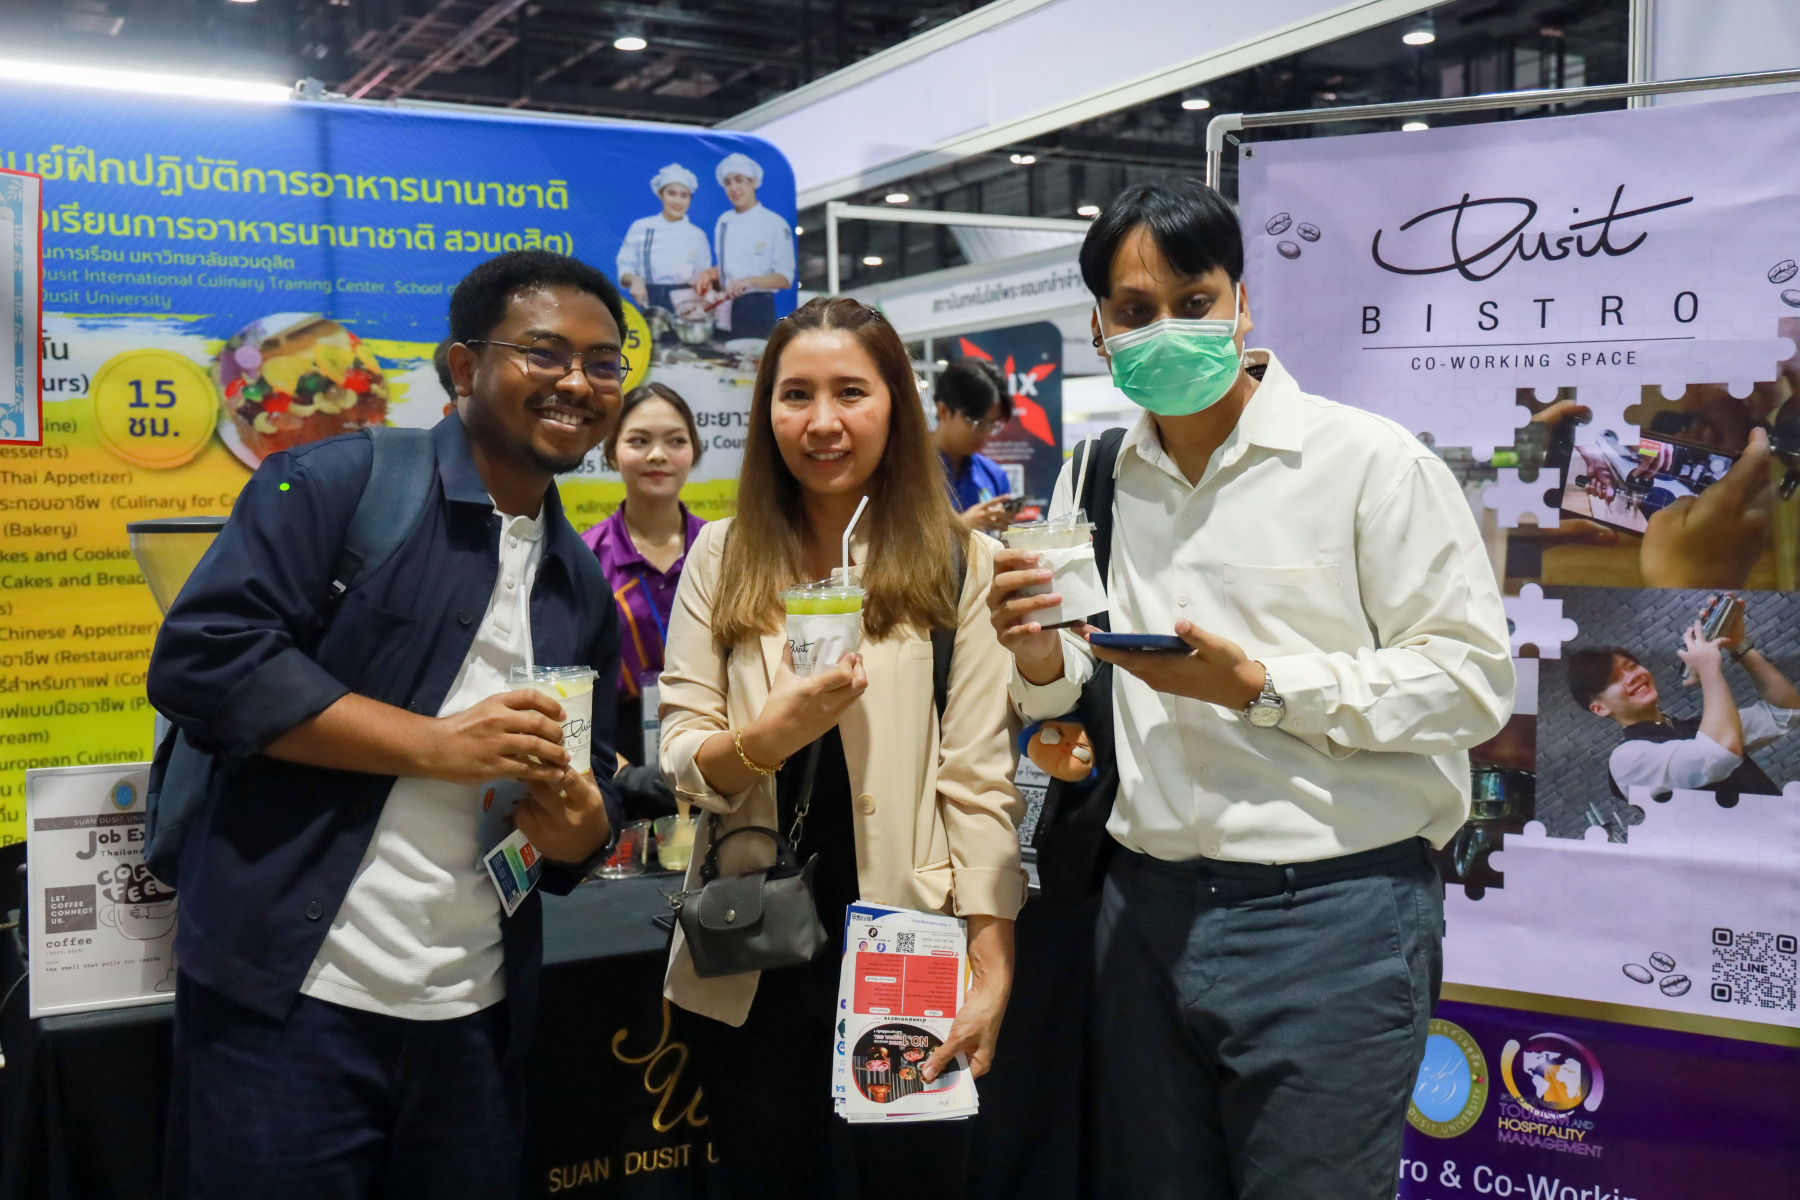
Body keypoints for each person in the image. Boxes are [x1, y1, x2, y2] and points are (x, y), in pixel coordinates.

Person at [986, 180, 1514, 1200]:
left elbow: (1470, 682)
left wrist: (1260, 685)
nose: (1167, 328)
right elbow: (1070, 692)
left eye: (1194, 301)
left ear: (1240, 303)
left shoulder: (1368, 463)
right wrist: (1041, 660)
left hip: (1335, 916)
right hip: (1143, 911)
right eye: (1135, 310)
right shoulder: (1094, 475)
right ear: (1098, 328)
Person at [148, 250, 627, 1199]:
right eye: (544, 353)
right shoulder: (339, 483)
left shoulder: (578, 586)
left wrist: (583, 828)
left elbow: (597, 782)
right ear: (464, 368)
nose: (577, 381)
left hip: (477, 1017)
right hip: (290, 1008)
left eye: (603, 363)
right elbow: (205, 660)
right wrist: (435, 746)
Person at [657, 297, 1024, 1198]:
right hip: (759, 940)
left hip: (911, 943)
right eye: (797, 395)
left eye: (851, 392)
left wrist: (992, 963)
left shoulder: (959, 564)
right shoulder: (723, 556)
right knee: (765, 1172)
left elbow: (979, 779)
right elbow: (681, 747)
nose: (823, 422)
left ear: (895, 404)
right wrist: (763, 742)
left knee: (912, 1181)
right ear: (767, 413)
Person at [583, 382, 708, 816]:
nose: (658, 455)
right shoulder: (585, 559)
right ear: (611, 452)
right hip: (615, 764)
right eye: (639, 441)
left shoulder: (725, 553)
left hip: (713, 752)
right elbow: (566, 685)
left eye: (676, 441)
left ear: (694, 451)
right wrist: (621, 775)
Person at [1568, 598, 1799, 806]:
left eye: (1632, 666)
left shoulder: (1698, 727)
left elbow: (1786, 712)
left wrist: (1739, 646)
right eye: (1614, 679)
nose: (1633, 676)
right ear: (1600, 708)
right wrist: (1708, 668)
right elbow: (1719, 754)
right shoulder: (1626, 758)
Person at [694, 151, 794, 340]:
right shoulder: (724, 221)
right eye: (728, 183)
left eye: (739, 180)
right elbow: (731, 267)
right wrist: (710, 273)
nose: (734, 188)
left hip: (757, 309)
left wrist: (748, 281)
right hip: (725, 306)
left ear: (753, 182)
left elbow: (784, 278)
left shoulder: (775, 223)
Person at [932, 357, 1016, 533]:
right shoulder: (907, 469)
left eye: (991, 424)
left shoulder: (993, 475)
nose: (985, 433)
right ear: (943, 411)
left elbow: (1004, 541)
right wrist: (963, 525)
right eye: (976, 422)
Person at [615, 163, 713, 313]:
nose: (677, 201)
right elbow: (625, 267)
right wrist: (635, 280)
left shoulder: (698, 235)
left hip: (687, 306)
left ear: (690, 199)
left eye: (684, 195)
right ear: (660, 194)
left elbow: (702, 278)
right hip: (650, 303)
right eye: (671, 194)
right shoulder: (641, 227)